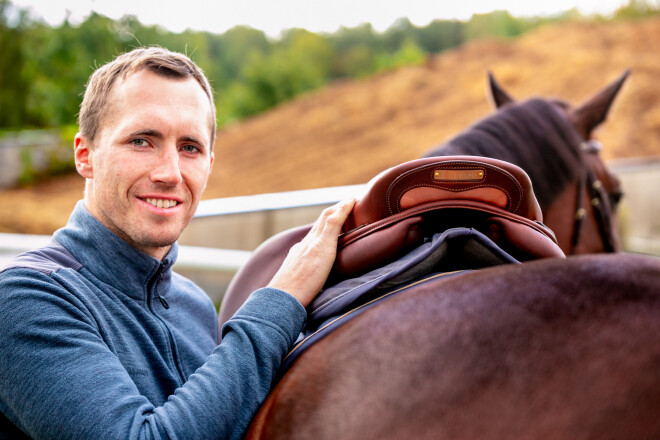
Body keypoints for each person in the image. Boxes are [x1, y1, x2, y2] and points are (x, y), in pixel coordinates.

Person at [0, 46, 355, 439]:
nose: (170, 173)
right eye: (141, 141)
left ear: (209, 165)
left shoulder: (195, 305)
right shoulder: (24, 298)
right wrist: (282, 300)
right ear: (85, 155)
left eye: (190, 148)